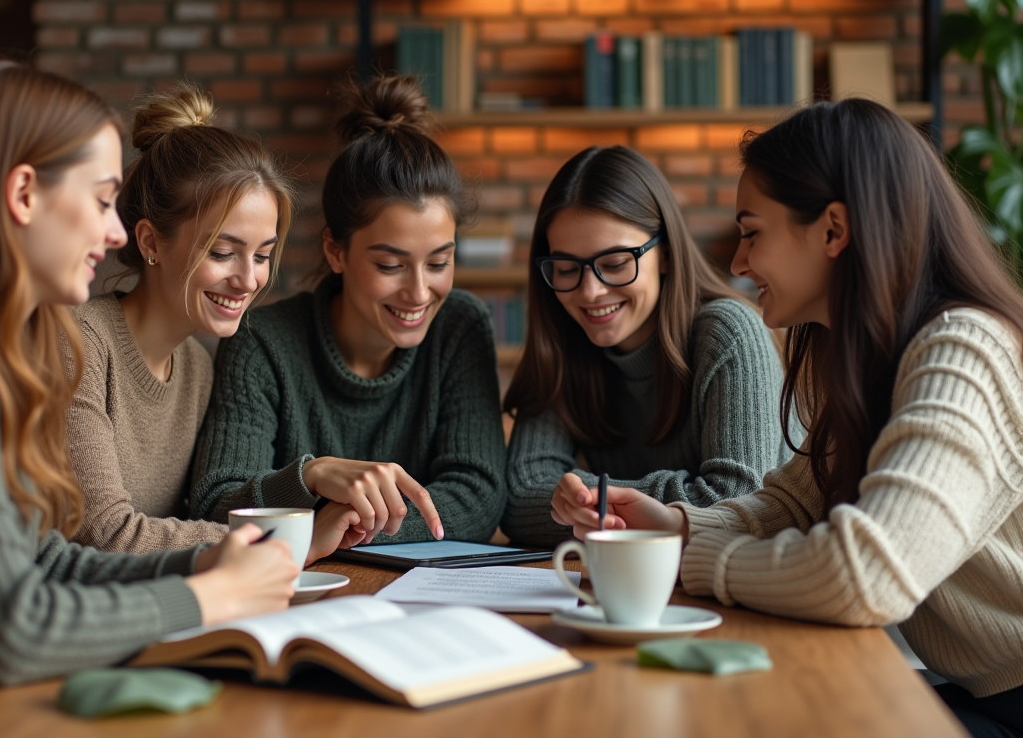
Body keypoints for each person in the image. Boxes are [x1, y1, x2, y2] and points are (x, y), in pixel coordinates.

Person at [0, 62, 300, 738]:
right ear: (23, 193)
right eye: (104, 200)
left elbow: (42, 558)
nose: (114, 235)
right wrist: (207, 597)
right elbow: (5, 629)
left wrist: (201, 560)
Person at [562, 100, 1023, 738]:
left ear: (833, 230)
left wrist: (696, 559)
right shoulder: (862, 357)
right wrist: (678, 527)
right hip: (977, 691)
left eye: (753, 232)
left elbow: (865, 574)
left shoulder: (964, 350)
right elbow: (791, 503)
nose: (740, 263)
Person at [190, 73, 506, 544]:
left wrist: (347, 526)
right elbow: (215, 501)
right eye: (390, 264)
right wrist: (308, 476)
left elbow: (478, 495)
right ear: (336, 252)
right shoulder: (262, 341)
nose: (419, 292)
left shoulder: (460, 326)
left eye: (439, 261)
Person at [65, 85, 361, 560]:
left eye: (262, 255)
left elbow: (192, 522)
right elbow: (105, 534)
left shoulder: (197, 367)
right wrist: (286, 545)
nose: (249, 280)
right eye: (223, 253)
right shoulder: (78, 343)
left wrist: (306, 486)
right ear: (150, 242)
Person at [500, 146, 789, 548]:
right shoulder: (565, 341)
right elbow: (518, 500)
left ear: (666, 255)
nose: (590, 291)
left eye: (616, 263)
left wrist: (587, 494)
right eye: (567, 269)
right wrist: (650, 505)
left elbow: (735, 504)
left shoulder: (729, 332)